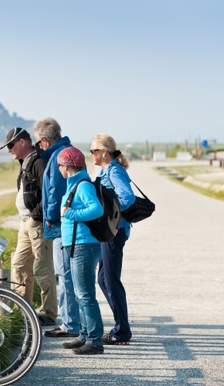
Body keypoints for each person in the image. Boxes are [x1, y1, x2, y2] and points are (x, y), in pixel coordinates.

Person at [1, 127, 58, 325]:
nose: (9, 150)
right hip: (26, 223)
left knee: (43, 269)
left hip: (37, 223)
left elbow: (49, 193)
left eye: (10, 145)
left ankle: (48, 313)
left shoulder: (39, 161)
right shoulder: (25, 162)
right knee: (19, 265)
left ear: (22, 142)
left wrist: (36, 216)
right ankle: (22, 311)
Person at [33, 118, 80, 337]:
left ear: (45, 140)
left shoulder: (58, 157)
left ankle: (70, 324)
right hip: (69, 222)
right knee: (68, 274)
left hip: (62, 223)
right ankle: (72, 322)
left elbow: (56, 191)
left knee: (65, 274)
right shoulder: (68, 152)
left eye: (38, 142)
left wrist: (50, 217)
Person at [57, 146, 105, 355]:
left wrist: (71, 213)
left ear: (66, 166)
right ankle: (85, 335)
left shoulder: (83, 185)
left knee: (85, 295)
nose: (59, 168)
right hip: (76, 244)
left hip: (84, 245)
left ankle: (95, 340)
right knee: (79, 294)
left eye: (60, 165)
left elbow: (97, 209)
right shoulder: (74, 184)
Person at [90, 133, 135, 345]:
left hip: (115, 232)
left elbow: (127, 197)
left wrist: (108, 212)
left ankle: (122, 331)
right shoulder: (106, 170)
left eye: (93, 151)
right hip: (109, 232)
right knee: (102, 279)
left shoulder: (114, 170)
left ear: (103, 152)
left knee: (111, 280)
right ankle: (121, 325)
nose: (91, 154)